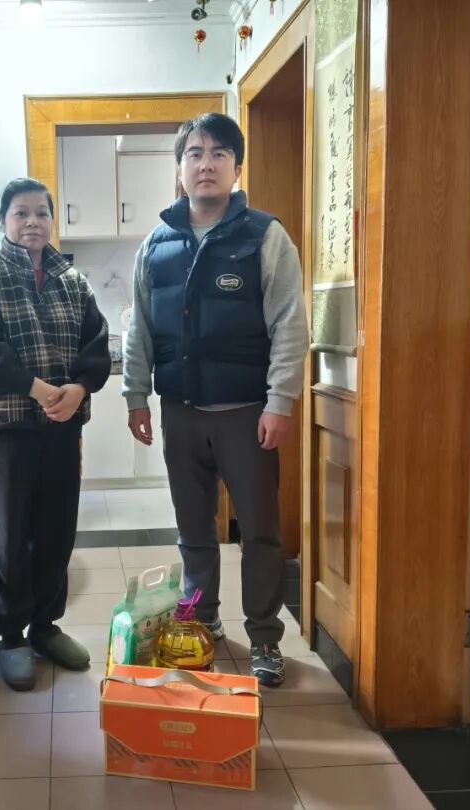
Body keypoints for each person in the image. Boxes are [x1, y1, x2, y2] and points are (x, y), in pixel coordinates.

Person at [122, 113, 309, 687]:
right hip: (180, 413)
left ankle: (265, 637)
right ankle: (202, 622)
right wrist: (135, 395)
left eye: (219, 153)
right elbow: (138, 328)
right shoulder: (156, 245)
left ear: (236, 167)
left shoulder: (265, 236)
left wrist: (280, 402)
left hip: (246, 416)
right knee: (194, 530)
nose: (206, 164)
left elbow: (290, 323)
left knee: (260, 532)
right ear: (180, 168)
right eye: (195, 153)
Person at [0, 177, 111, 691]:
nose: (33, 222)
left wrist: (79, 389)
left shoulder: (72, 282)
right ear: (4, 221)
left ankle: (45, 626)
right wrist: (39, 389)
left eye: (42, 213)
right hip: (7, 433)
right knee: (7, 535)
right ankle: (10, 636)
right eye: (21, 213)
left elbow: (96, 345)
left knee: (57, 531)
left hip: (61, 430)